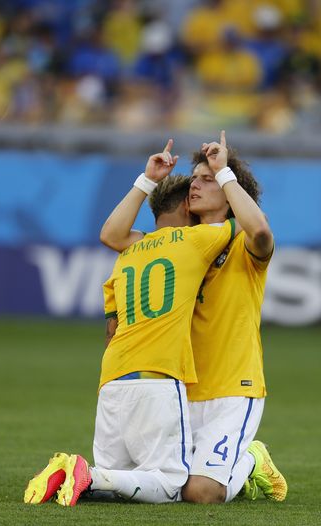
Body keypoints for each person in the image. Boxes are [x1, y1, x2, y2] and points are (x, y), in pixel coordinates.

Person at [24, 141, 238, 506]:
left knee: (119, 488)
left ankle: (81, 476)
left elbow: (109, 237)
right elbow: (247, 225)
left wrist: (147, 180)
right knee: (171, 484)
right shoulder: (197, 238)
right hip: (158, 376)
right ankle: (87, 472)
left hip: (112, 380)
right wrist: (223, 174)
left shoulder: (126, 256)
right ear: (189, 204)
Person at [100, 131, 287, 504]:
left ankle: (252, 460)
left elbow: (262, 230)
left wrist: (225, 172)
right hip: (180, 387)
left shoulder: (242, 242)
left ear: (228, 189)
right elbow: (114, 235)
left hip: (233, 386)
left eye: (207, 179)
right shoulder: (179, 243)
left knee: (201, 493)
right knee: (166, 486)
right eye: (196, 179)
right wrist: (147, 180)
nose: (195, 186)